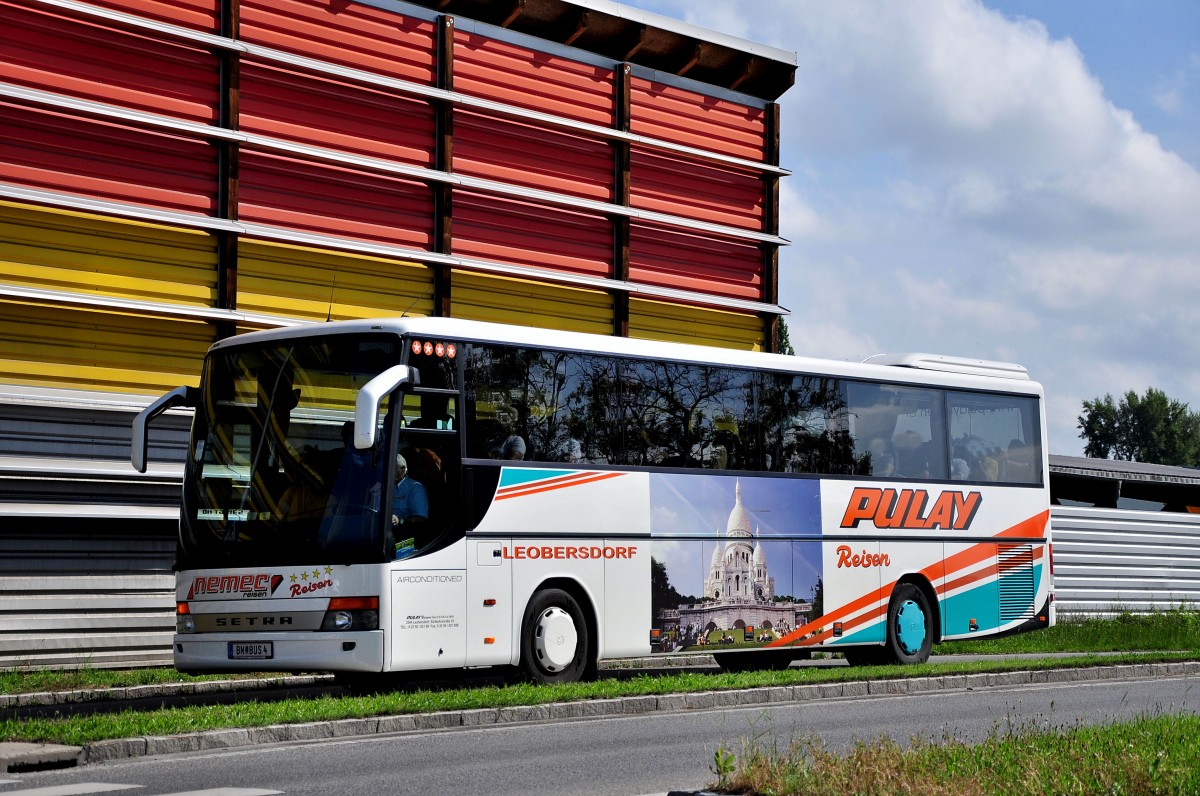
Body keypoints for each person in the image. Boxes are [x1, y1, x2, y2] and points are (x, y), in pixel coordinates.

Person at [391, 453, 429, 529]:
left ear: (402, 470)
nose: (389, 472)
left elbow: (421, 519)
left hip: (402, 534)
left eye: (393, 468)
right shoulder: (382, 486)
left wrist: (399, 520)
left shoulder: (415, 488)